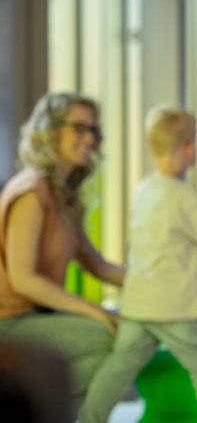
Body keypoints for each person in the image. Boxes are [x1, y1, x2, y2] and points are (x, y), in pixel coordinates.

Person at [79, 104, 197, 423]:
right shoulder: (186, 196)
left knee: (120, 366)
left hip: (137, 302)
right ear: (189, 148)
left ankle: (90, 418)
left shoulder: (144, 189)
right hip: (174, 307)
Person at [0, 93, 126, 413]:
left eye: (94, 131)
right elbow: (24, 279)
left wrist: (159, 282)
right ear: (51, 130)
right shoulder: (30, 193)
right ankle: (43, 409)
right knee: (109, 337)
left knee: (123, 336)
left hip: (35, 316)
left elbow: (96, 264)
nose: (89, 138)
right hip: (8, 321)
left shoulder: (63, 196)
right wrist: (96, 311)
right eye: (79, 128)